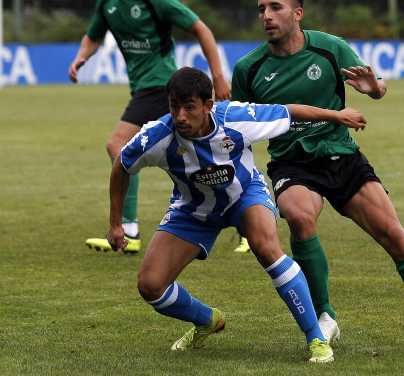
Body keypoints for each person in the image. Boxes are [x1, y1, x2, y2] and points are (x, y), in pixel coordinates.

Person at [230, 0, 404, 350]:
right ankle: (325, 316)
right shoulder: (249, 68)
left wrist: (373, 88)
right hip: (292, 163)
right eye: (261, 9)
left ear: (297, 13)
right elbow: (238, 126)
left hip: (342, 155)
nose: (267, 16)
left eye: (275, 7)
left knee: (393, 234)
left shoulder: (330, 48)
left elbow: (378, 88)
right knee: (299, 215)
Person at [109, 67, 369, 362]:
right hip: (193, 211)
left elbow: (288, 111)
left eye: (189, 108)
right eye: (174, 107)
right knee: (151, 286)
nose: (180, 116)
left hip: (245, 195)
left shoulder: (236, 117)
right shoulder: (156, 136)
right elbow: (121, 164)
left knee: (267, 249)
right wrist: (116, 223)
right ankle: (207, 320)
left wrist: (336, 116)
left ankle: (316, 339)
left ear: (208, 106)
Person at [69, 0, 232, 254]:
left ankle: (128, 227)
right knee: (200, 152)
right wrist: (81, 57)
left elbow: (202, 29)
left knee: (118, 146)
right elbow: (94, 35)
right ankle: (239, 212)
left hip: (160, 86)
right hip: (144, 87)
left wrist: (218, 77)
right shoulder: (107, 2)